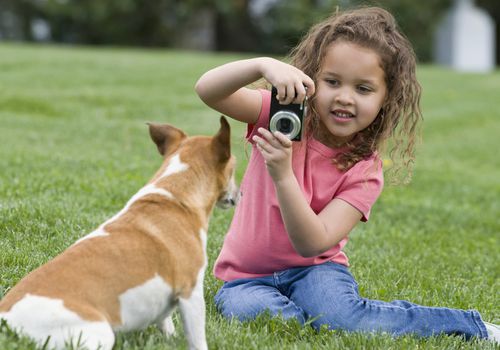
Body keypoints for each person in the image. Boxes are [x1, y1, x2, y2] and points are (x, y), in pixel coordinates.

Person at [195, 6, 499, 343]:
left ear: (386, 99)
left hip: (316, 270)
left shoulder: (365, 171)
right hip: (247, 277)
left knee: (343, 317)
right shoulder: (279, 116)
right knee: (256, 312)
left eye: (364, 89)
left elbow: (311, 243)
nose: (344, 97)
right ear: (312, 78)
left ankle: (474, 327)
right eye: (332, 81)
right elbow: (209, 90)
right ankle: (310, 314)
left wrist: (283, 176)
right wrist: (262, 65)